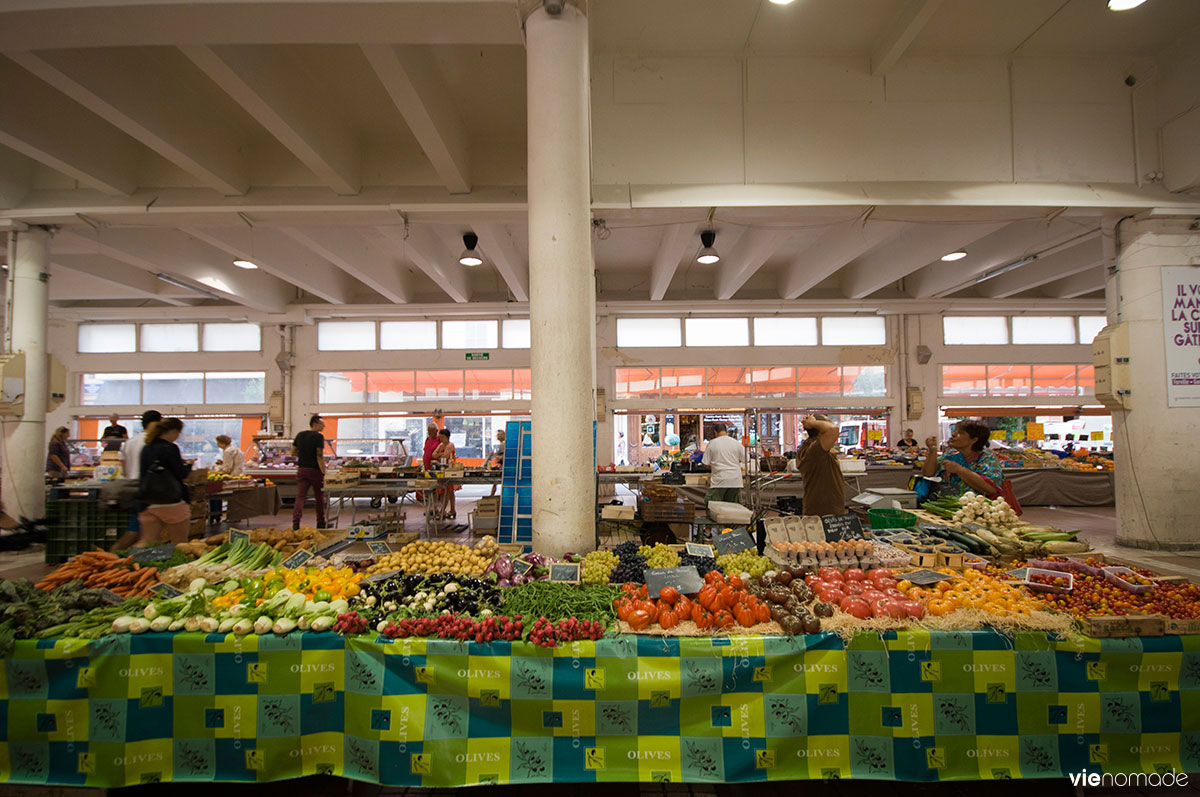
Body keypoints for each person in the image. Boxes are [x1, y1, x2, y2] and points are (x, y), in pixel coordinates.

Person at [137, 418, 192, 545]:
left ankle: (134, 563)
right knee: (180, 543)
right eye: (178, 433)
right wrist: (188, 466)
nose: (177, 436)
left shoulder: (147, 447)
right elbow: (181, 474)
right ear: (172, 431)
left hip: (147, 501)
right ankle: (177, 565)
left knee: (147, 541)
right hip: (171, 501)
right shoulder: (170, 448)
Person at [922, 420, 1003, 498]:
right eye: (955, 431)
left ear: (974, 439)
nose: (953, 434)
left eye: (960, 433)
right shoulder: (951, 453)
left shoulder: (988, 458)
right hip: (946, 505)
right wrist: (932, 451)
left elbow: (990, 489)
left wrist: (959, 470)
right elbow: (928, 473)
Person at [796, 414, 847, 517]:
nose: (831, 424)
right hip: (823, 512)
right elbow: (833, 430)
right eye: (827, 423)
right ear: (820, 431)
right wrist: (812, 423)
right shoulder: (815, 450)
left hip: (825, 510)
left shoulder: (811, 445)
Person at [292, 414, 327, 530]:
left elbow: (293, 452)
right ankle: (321, 522)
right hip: (314, 470)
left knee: (300, 496)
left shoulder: (300, 435)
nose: (324, 426)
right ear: (315, 424)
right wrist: (324, 472)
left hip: (301, 469)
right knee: (319, 496)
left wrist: (303, 455)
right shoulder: (318, 437)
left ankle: (296, 522)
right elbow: (319, 456)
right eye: (322, 424)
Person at [702, 422, 745, 504]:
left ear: (715, 432)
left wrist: (714, 466)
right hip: (735, 480)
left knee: (714, 506)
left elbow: (705, 463)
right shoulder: (736, 443)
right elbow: (746, 459)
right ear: (727, 431)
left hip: (719, 480)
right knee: (733, 508)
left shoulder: (712, 443)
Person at [123, 410, 161, 482]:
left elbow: (124, 466)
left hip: (130, 483)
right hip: (148, 485)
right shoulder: (155, 442)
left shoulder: (129, 442)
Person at [432, 428, 459, 519]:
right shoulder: (441, 445)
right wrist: (440, 454)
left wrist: (439, 454)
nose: (441, 439)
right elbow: (433, 455)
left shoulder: (450, 445)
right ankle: (451, 510)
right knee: (447, 491)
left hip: (449, 469)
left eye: (442, 437)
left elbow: (445, 456)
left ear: (447, 437)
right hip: (442, 469)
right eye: (440, 437)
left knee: (448, 491)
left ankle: (444, 510)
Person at [486, 429, 506, 497]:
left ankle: (492, 495)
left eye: (498, 434)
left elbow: (502, 457)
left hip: (503, 466)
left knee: (496, 481)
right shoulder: (502, 444)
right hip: (501, 465)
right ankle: (492, 495)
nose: (497, 436)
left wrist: (493, 454)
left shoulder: (503, 445)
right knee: (495, 482)